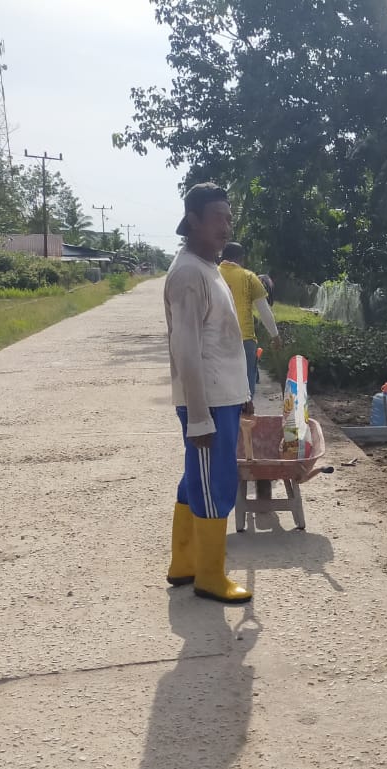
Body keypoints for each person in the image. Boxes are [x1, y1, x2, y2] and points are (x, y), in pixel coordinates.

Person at [163, 183, 252, 604]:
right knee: (213, 483)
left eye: (228, 218)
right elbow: (187, 350)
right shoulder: (186, 275)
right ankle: (210, 576)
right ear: (193, 220)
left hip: (224, 397)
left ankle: (184, 563)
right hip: (208, 404)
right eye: (218, 217)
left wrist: (243, 391)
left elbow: (223, 341)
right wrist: (199, 416)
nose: (226, 225)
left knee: (196, 480)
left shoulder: (207, 268)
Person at [219, 242, 280, 410]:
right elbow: (264, 311)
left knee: (219, 391)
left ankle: (226, 427)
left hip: (215, 341)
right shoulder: (248, 277)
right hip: (244, 340)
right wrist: (275, 336)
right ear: (241, 259)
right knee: (245, 393)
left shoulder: (211, 275)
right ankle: (243, 425)